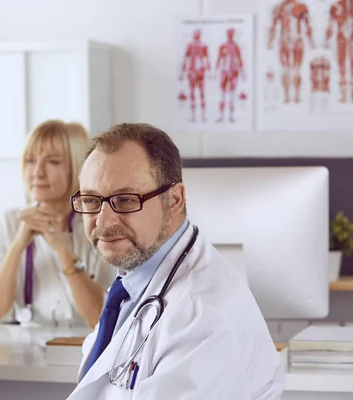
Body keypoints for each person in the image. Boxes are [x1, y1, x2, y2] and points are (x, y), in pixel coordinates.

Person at [67, 123, 284, 399]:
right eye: (91, 200)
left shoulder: (200, 317)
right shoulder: (138, 280)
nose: (103, 221)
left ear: (174, 199)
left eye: (124, 200)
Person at [0, 120, 114, 328]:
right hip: (28, 350)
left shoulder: (98, 221)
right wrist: (18, 245)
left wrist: (64, 251)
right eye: (30, 161)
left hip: (87, 348)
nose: (37, 172)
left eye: (53, 162)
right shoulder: (10, 222)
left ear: (77, 167)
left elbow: (101, 318)